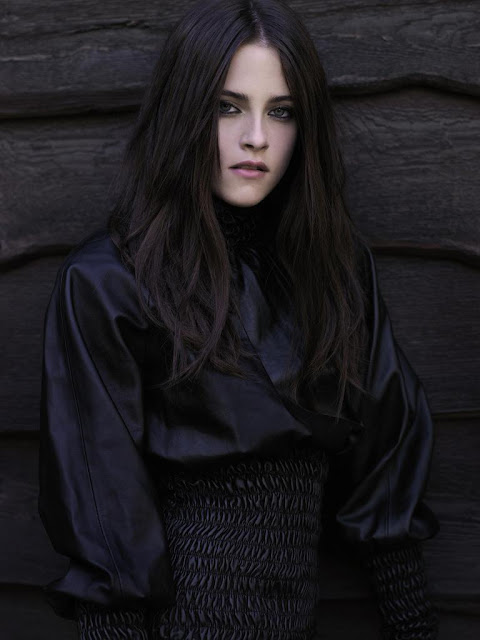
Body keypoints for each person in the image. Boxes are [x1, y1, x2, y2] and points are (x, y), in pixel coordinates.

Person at [38, 0, 440, 638]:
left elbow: (384, 466)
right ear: (185, 112)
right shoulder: (108, 282)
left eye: (281, 111)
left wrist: (415, 627)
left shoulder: (335, 270)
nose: (256, 137)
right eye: (228, 107)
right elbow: (103, 512)